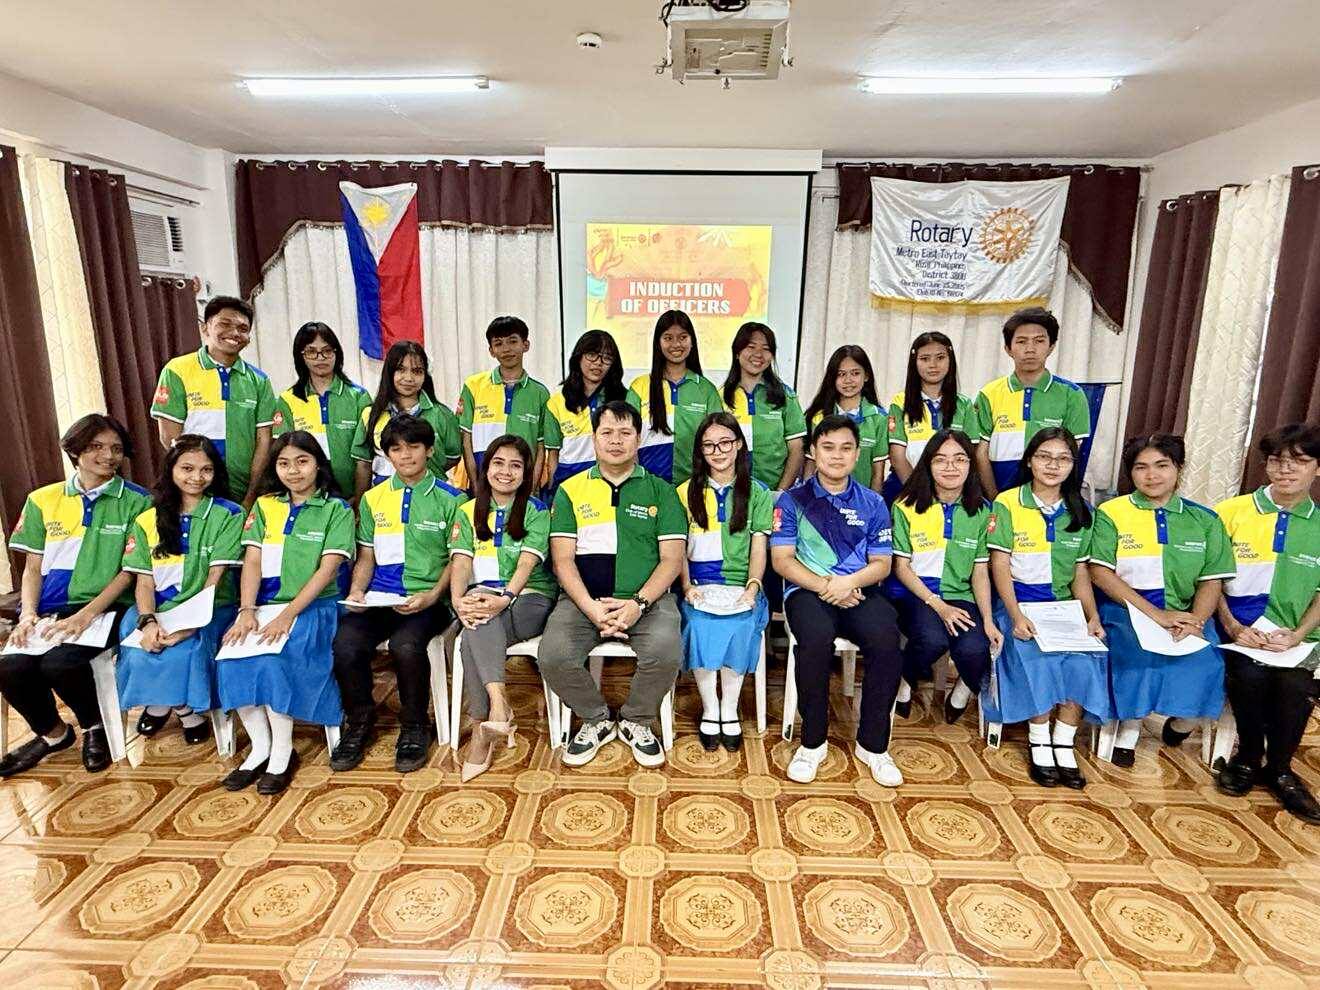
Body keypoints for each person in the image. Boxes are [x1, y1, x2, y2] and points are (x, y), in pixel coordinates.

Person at [1, 414, 151, 776]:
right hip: (48, 610)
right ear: (75, 450)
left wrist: (87, 615)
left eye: (116, 448)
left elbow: (130, 571)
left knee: (60, 663)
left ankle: (94, 727)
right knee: (9, 666)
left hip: (108, 608)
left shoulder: (139, 501)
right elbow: (32, 568)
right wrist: (27, 615)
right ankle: (53, 734)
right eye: (97, 446)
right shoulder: (42, 500)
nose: (108, 456)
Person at [539, 400, 686, 768]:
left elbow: (671, 560)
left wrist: (638, 604)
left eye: (625, 433)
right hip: (582, 601)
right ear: (594, 438)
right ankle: (596, 719)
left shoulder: (662, 491)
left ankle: (636, 719)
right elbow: (562, 560)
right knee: (553, 656)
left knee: (667, 651)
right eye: (607, 432)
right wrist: (591, 608)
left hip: (648, 601)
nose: (616, 441)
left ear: (638, 439)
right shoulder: (570, 491)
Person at [771, 414, 905, 787]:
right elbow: (782, 560)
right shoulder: (791, 500)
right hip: (806, 591)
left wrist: (847, 584)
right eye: (828, 447)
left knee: (887, 641)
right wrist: (827, 587)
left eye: (846, 448)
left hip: (859, 589)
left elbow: (882, 564)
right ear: (813, 452)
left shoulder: (873, 502)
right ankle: (813, 743)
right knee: (814, 642)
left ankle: (873, 745)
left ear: (857, 454)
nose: (837, 455)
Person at [217, 432, 353, 794]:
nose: (293, 471)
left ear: (318, 464)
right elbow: (252, 561)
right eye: (283, 463)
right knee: (230, 658)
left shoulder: (336, 509)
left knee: (273, 660)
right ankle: (259, 747)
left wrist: (288, 615)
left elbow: (327, 570)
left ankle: (282, 751)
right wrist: (247, 610)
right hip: (262, 607)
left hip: (314, 608)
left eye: (302, 461)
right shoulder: (264, 507)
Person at [1089, 435, 1234, 767]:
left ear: (1178, 468)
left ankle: (1182, 723)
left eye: (1161, 466)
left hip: (1185, 612)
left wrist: (1197, 621)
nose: (1151, 475)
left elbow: (1212, 579)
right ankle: (1130, 727)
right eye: (1141, 467)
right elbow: (1100, 572)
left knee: (1208, 660)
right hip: (1125, 609)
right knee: (1138, 655)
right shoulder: (1112, 513)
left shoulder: (1205, 520)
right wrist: (1155, 615)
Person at [333, 415, 465, 773]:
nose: (405, 455)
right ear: (387, 455)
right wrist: (357, 591)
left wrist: (432, 596)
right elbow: (366, 557)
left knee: (406, 646)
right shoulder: (373, 499)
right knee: (345, 644)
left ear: (430, 450)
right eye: (396, 449)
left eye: (413, 447)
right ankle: (359, 723)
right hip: (380, 598)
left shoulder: (453, 499)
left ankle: (415, 725)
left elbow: (458, 560)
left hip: (429, 601)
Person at [986, 427, 1108, 789]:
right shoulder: (1008, 503)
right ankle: (1039, 740)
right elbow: (999, 565)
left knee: (1085, 658)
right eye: (1044, 457)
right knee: (1036, 656)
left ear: (1073, 465)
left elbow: (1080, 572)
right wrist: (1016, 615)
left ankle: (1064, 741)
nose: (1053, 466)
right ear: (1029, 461)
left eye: (1063, 459)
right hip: (1018, 604)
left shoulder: (1082, 511)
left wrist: (1091, 616)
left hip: (1063, 608)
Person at [1214, 423, 1320, 823]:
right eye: (1277, 460)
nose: (1285, 470)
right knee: (1250, 674)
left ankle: (1280, 770)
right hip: (1236, 630)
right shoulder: (1230, 513)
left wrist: (1297, 635)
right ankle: (1246, 758)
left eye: (1299, 461)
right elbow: (1209, 581)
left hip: (1296, 637)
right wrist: (1234, 627)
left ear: (1317, 468)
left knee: (1295, 684)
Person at [116, 436, 244, 748]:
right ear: (171, 469)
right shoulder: (146, 520)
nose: (196, 477)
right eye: (187, 468)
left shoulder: (230, 514)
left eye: (206, 470)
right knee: (140, 646)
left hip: (211, 607)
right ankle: (182, 709)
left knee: (186, 649)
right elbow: (144, 582)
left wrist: (189, 626)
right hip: (155, 607)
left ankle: (174, 707)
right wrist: (148, 621)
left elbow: (215, 579)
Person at [449, 435, 558, 781]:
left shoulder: (537, 511)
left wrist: (505, 597)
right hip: (481, 596)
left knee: (475, 629)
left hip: (530, 597)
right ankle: (497, 708)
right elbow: (460, 563)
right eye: (498, 463)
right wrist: (458, 601)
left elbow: (527, 563)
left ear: (526, 473)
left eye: (515, 465)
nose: (506, 472)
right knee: (477, 621)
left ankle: (483, 726)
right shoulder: (466, 511)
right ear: (486, 468)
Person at [884, 429, 1000, 725]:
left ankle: (962, 690)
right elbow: (901, 567)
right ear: (928, 464)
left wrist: (987, 619)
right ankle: (905, 681)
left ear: (971, 464)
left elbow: (980, 571)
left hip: (961, 595)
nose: (951, 467)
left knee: (977, 647)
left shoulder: (982, 511)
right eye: (941, 460)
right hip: (915, 594)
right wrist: (939, 606)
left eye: (960, 459)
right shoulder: (906, 505)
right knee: (931, 639)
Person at [677, 412, 773, 751]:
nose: (717, 452)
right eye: (709, 446)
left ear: (739, 445)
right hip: (697, 583)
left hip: (742, 585)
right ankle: (710, 707)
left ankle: (730, 708)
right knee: (698, 624)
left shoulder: (758, 493)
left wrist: (752, 587)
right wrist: (687, 588)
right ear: (700, 451)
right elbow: (676, 550)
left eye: (725, 443)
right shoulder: (683, 492)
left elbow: (759, 548)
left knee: (743, 624)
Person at [151, 295, 277, 508]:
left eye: (243, 328)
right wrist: (194, 477)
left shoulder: (259, 380)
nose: (234, 333)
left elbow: (264, 441)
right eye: (225, 324)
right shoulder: (177, 370)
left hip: (243, 491)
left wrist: (251, 496)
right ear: (205, 328)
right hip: (195, 489)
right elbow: (170, 437)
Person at [972, 308, 1092, 499]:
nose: (1030, 349)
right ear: (1008, 349)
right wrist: (996, 499)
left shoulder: (1072, 395)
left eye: (1039, 341)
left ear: (1051, 346)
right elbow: (980, 453)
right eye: (1021, 341)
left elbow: (1070, 454)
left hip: (1049, 500)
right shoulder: (989, 394)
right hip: (998, 497)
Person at [272, 322, 371, 501]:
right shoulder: (287, 400)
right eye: (311, 352)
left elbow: (364, 459)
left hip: (352, 497)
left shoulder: (359, 397)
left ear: (337, 353)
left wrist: (358, 500)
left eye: (327, 351)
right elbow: (285, 455)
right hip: (308, 499)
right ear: (301, 355)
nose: (320, 358)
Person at [351, 341, 461, 497]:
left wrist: (419, 470)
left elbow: (452, 457)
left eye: (417, 371)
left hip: (430, 499)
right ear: (389, 372)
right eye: (401, 370)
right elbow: (363, 463)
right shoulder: (371, 415)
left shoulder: (442, 414)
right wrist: (359, 504)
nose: (409, 378)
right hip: (385, 499)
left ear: (425, 375)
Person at [626, 310, 724, 484]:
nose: (676, 344)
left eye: (683, 337)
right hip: (647, 485)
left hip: (694, 487)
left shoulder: (706, 390)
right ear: (658, 343)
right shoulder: (639, 387)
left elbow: (717, 440)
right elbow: (627, 437)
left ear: (692, 342)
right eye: (668, 338)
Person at [458, 315, 551, 487]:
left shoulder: (540, 393)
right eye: (499, 343)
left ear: (526, 345)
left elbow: (540, 448)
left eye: (512, 341)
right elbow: (466, 441)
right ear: (491, 351)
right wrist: (477, 487)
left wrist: (530, 491)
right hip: (483, 484)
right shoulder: (473, 386)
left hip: (523, 486)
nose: (506, 349)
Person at [885, 332, 975, 502]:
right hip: (907, 488)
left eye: (940, 358)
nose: (933, 365)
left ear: (950, 360)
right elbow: (897, 457)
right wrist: (919, 494)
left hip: (953, 492)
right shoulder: (900, 402)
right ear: (914, 362)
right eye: (925, 359)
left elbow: (971, 455)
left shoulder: (964, 405)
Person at [722, 322, 807, 494]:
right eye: (751, 346)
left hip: (774, 493)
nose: (758, 354)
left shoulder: (786, 396)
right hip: (732, 494)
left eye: (766, 349)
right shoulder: (720, 396)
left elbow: (796, 449)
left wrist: (780, 493)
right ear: (737, 352)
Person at [544, 330, 627, 490]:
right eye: (592, 355)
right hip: (568, 483)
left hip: (611, 483)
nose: (598, 363)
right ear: (578, 357)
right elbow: (553, 455)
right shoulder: (556, 402)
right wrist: (554, 491)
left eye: (607, 357)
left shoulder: (624, 399)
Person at [803, 345, 887, 492]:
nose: (848, 380)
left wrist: (872, 504)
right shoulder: (818, 417)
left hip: (861, 502)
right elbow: (809, 467)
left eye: (855, 373)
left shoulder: (879, 418)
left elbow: (877, 474)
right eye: (841, 374)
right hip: (821, 500)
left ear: (866, 376)